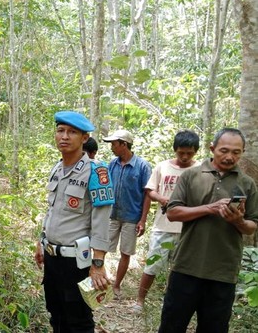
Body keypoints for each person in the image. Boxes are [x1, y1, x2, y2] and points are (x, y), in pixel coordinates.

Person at [158, 127, 258, 333]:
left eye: (236, 152)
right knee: (172, 325)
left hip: (224, 272)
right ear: (212, 148)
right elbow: (173, 212)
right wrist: (209, 208)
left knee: (214, 328)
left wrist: (238, 221)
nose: (230, 157)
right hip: (186, 266)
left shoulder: (247, 184)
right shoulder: (191, 176)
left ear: (242, 152)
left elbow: (251, 226)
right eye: (224, 150)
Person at [35, 111, 113, 333]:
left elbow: (101, 222)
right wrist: (41, 241)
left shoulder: (97, 172)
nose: (64, 136)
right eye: (60, 131)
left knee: (78, 320)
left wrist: (98, 265)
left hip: (77, 263)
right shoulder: (57, 169)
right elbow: (51, 210)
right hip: (52, 259)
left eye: (72, 132)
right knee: (56, 313)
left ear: (84, 138)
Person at [133, 130, 200, 312]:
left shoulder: (200, 169)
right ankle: (140, 300)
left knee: (181, 270)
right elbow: (150, 191)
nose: (185, 157)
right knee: (152, 265)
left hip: (188, 229)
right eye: (181, 152)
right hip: (163, 227)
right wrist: (162, 199)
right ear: (175, 150)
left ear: (196, 151)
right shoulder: (163, 167)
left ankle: (173, 302)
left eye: (189, 153)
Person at [102, 129, 151, 298]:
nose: (112, 148)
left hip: (132, 217)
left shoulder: (142, 166)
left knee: (125, 252)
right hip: (112, 214)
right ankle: (101, 278)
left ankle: (116, 285)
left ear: (124, 144)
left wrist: (143, 220)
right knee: (102, 247)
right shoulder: (112, 165)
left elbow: (147, 195)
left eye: (114, 144)